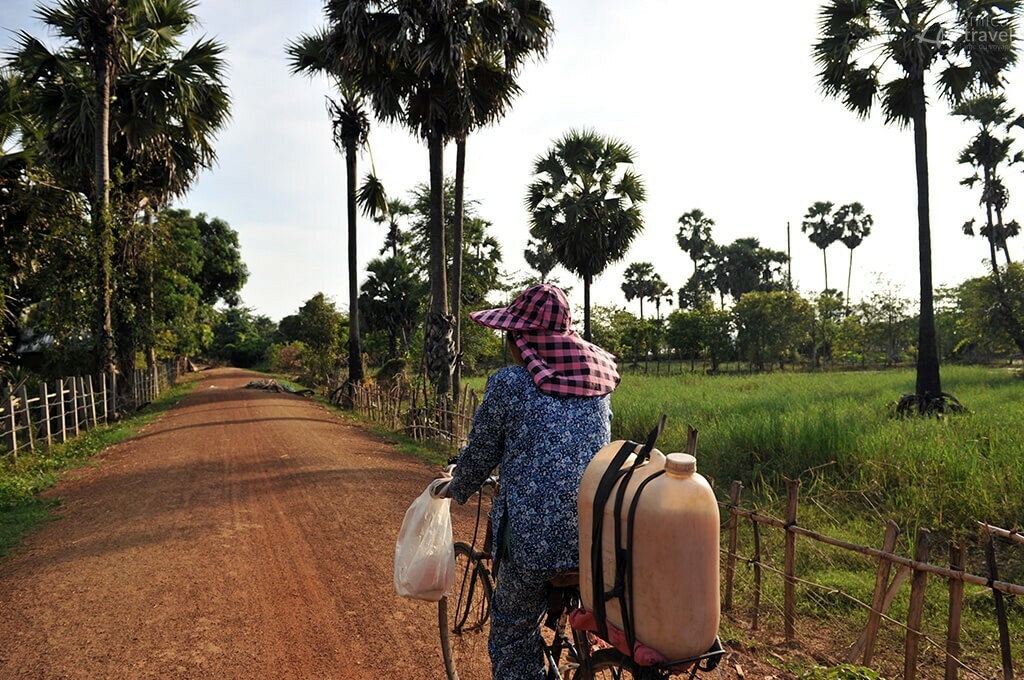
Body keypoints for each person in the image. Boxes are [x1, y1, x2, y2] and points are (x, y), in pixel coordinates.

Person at [430, 283, 620, 680]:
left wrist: (458, 485)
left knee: (513, 634)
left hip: (535, 543)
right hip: (596, 541)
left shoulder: (510, 385)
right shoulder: (596, 384)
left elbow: (481, 453)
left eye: (513, 335)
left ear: (523, 339)